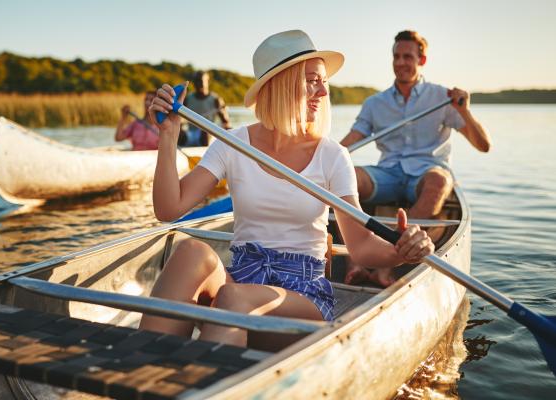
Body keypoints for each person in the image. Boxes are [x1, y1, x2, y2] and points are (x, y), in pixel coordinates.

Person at [139, 30, 434, 349]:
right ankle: (144, 373)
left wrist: (400, 250)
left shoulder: (332, 156)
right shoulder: (233, 143)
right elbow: (169, 209)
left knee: (234, 298)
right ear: (281, 84)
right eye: (312, 80)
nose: (323, 92)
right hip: (241, 278)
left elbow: (360, 247)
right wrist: (167, 135)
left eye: (324, 82)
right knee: (190, 253)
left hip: (302, 298)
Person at [339, 30, 491, 287]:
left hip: (428, 173)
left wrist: (464, 111)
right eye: (396, 56)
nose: (400, 63)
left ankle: (385, 262)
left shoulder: (443, 98)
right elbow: (352, 140)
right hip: (388, 173)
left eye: (407, 57)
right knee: (346, 175)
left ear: (422, 61)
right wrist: (320, 160)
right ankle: (356, 258)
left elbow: (483, 145)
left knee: (439, 183)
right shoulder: (375, 103)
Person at [180, 70, 232, 146]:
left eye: (200, 81)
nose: (198, 83)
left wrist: (222, 112)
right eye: (196, 81)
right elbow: (179, 120)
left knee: (205, 132)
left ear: (207, 82)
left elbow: (226, 123)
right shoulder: (187, 99)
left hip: (209, 134)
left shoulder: (216, 100)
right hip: (191, 133)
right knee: (179, 134)